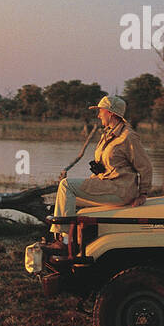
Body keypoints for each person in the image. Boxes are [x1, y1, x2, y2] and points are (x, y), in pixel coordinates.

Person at [49, 95, 152, 235]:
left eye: (101, 111)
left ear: (110, 112)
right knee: (66, 199)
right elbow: (105, 167)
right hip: (106, 185)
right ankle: (76, 238)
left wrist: (143, 194)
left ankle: (64, 238)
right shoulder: (107, 134)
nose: (98, 115)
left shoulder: (128, 136)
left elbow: (145, 167)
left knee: (66, 185)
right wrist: (92, 180)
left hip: (119, 190)